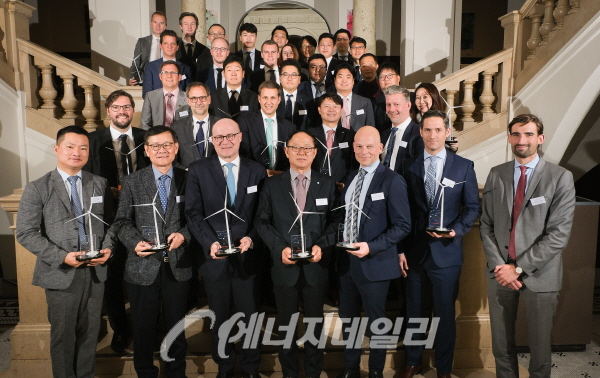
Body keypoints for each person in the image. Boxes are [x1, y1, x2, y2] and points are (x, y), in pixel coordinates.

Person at [480, 113, 576, 378]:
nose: (522, 140)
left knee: (540, 349)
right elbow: (486, 224)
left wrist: (518, 268)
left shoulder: (560, 177)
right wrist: (502, 266)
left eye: (529, 134)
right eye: (517, 134)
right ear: (510, 137)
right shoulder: (496, 174)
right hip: (499, 274)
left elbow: (558, 235)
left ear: (540, 138)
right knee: (501, 345)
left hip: (540, 275)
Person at [16, 126, 116, 378]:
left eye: (83, 148)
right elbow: (25, 233)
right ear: (57, 149)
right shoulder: (38, 187)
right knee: (62, 336)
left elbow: (113, 223)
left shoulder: (99, 184)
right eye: (70, 146)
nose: (77, 152)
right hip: (61, 273)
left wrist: (109, 248)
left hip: (95, 272)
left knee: (90, 333)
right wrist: (62, 256)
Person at [398, 110, 480, 378]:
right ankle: (413, 361)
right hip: (414, 252)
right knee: (414, 311)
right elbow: (401, 213)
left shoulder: (463, 166)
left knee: (444, 315)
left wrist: (455, 231)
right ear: (421, 133)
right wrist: (399, 249)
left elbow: (471, 209)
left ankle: (444, 368)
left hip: (447, 255)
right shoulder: (407, 166)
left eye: (438, 130)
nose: (432, 135)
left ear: (447, 132)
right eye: (427, 130)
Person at [255, 130, 342, 378]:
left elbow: (337, 221)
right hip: (284, 267)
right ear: (286, 151)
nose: (301, 153)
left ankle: (314, 373)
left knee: (315, 326)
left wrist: (322, 246)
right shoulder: (272, 184)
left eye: (307, 149)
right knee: (287, 327)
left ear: (315, 153)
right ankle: (290, 374)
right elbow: (262, 222)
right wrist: (278, 247)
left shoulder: (326, 183)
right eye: (296, 148)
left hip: (316, 267)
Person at [186, 118, 267, 378]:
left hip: (248, 256)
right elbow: (193, 213)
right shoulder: (198, 169)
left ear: (240, 137)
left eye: (230, 135)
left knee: (250, 316)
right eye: (219, 137)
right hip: (214, 258)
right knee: (219, 317)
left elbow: (263, 215)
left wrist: (251, 238)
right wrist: (209, 242)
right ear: (211, 140)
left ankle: (252, 367)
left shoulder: (257, 170)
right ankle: (225, 366)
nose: (225, 141)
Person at [115, 126, 192, 378]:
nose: (162, 150)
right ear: (146, 150)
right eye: (155, 146)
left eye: (167, 145)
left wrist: (185, 235)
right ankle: (145, 373)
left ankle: (176, 373)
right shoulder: (132, 181)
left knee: (176, 329)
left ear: (176, 147)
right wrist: (134, 242)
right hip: (142, 266)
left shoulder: (190, 178)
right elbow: (122, 222)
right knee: (143, 328)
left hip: (177, 266)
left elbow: (197, 219)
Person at [336, 126, 411, 378]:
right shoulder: (350, 178)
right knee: (349, 321)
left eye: (369, 146)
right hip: (347, 264)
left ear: (381, 148)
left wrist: (371, 246)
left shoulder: (392, 180)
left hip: (375, 263)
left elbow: (403, 225)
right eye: (358, 146)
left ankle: (376, 372)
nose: (363, 151)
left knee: (377, 324)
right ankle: (350, 369)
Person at [84, 90, 149, 353]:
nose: (122, 111)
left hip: (144, 216)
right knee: (111, 278)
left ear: (133, 110)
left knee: (144, 274)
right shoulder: (93, 140)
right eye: (116, 107)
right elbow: (86, 178)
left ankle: (147, 328)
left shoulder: (146, 138)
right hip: (107, 218)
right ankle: (120, 331)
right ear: (108, 110)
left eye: (127, 107)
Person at [238, 80, 296, 176]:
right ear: (259, 99)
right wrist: (262, 172)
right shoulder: (246, 121)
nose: (268, 102)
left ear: (279, 99)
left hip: (280, 178)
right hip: (255, 177)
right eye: (265, 97)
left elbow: (291, 157)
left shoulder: (289, 127)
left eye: (273, 98)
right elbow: (243, 153)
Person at [309, 93, 356, 184]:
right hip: (313, 186)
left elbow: (354, 164)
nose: (331, 110)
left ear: (341, 110)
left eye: (335, 106)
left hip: (341, 187)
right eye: (327, 106)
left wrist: (344, 184)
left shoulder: (351, 135)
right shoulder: (309, 135)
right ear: (319, 110)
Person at [172, 82, 221, 168]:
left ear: (209, 99)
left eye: (202, 98)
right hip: (187, 177)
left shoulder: (221, 124)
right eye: (194, 98)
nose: (199, 102)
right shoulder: (177, 127)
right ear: (188, 101)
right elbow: (173, 159)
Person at [380, 86, 423, 171]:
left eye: (396, 104)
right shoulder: (384, 134)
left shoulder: (419, 135)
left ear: (408, 105)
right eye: (388, 105)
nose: (391, 109)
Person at [142, 29, 192, 97]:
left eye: (173, 43)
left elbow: (189, 93)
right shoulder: (150, 67)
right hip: (157, 106)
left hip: (180, 106)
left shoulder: (186, 68)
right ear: (161, 46)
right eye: (166, 43)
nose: (169, 46)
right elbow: (146, 94)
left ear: (177, 47)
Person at [141, 60, 190, 129]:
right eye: (165, 72)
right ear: (160, 76)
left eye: (173, 72)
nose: (169, 76)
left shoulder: (189, 97)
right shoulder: (150, 96)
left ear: (179, 77)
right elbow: (145, 124)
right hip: (156, 137)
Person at [210, 55, 259, 120]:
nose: (233, 74)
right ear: (223, 73)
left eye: (237, 70)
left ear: (243, 73)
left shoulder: (253, 97)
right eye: (229, 70)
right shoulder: (214, 97)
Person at [412, 83, 458, 152]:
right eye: (418, 98)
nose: (421, 101)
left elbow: (447, 148)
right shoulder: (410, 121)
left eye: (425, 97)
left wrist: (453, 148)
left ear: (433, 97)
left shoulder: (443, 119)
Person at [332, 63, 375, 131]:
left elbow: (370, 127)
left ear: (353, 81)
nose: (344, 80)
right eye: (340, 77)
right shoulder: (327, 101)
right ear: (334, 80)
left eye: (348, 77)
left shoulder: (365, 102)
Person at [129, 11, 167, 86]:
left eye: (161, 23)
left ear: (166, 25)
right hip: (147, 82)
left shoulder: (172, 42)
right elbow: (136, 63)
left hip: (166, 81)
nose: (158, 26)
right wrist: (131, 78)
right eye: (155, 22)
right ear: (151, 24)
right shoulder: (142, 42)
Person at [276, 59, 311, 130]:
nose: (289, 78)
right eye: (285, 74)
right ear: (280, 78)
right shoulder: (273, 99)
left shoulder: (308, 102)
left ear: (299, 79)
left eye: (294, 75)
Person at [176, 12, 209, 80]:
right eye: (186, 24)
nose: (189, 27)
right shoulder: (173, 47)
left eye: (192, 24)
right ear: (181, 26)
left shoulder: (204, 50)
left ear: (196, 26)